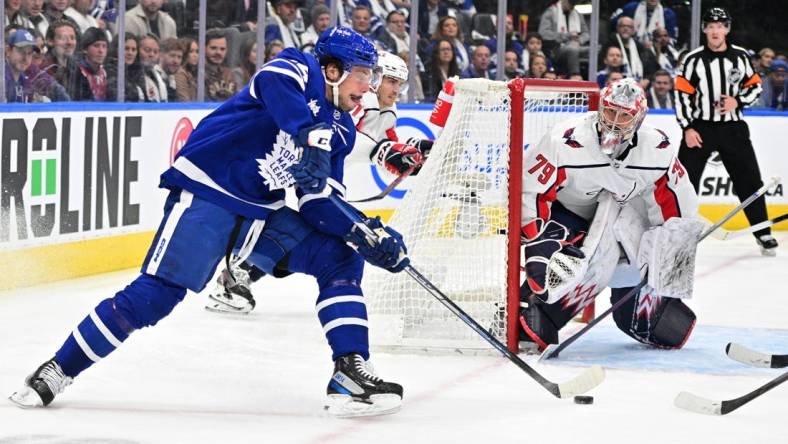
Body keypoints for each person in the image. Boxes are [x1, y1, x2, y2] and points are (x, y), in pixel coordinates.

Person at [9, 26, 409, 418]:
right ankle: (59, 367)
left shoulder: (340, 128)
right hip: (209, 195)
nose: (368, 87)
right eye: (363, 74)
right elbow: (273, 84)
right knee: (154, 298)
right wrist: (307, 134)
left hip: (260, 216)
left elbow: (318, 201)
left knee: (339, 256)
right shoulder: (298, 68)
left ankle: (350, 372)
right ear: (333, 70)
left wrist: (363, 231)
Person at [206, 50, 432, 315]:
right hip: (300, 166)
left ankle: (237, 276)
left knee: (310, 231)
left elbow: (380, 143)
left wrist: (413, 149)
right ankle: (235, 276)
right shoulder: (358, 98)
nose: (396, 89)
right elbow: (342, 136)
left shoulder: (384, 108)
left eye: (400, 83)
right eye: (391, 81)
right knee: (301, 229)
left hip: (323, 173)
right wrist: (382, 152)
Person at [518, 78, 701, 353]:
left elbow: (677, 203)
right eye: (610, 111)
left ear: (639, 118)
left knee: (635, 305)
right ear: (600, 108)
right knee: (550, 283)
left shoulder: (656, 150)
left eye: (625, 115)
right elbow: (531, 191)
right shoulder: (565, 140)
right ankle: (538, 311)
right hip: (570, 213)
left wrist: (672, 255)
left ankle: (648, 312)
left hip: (625, 216)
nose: (615, 121)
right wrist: (535, 237)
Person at [674, 7, 778, 256]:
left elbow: (754, 86)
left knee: (750, 181)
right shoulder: (693, 59)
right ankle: (678, 236)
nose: (715, 30)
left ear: (727, 29)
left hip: (733, 128)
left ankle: (763, 232)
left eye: (720, 26)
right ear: (705, 30)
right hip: (700, 128)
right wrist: (687, 127)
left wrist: (737, 101)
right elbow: (682, 95)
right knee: (684, 184)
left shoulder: (740, 57)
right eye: (711, 26)